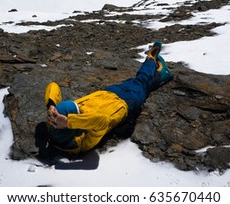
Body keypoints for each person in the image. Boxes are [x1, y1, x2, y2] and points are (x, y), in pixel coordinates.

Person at [44, 41, 173, 154]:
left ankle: (162, 75)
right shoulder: (83, 141)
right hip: (126, 102)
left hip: (108, 93)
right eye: (78, 111)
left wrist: (51, 104)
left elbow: (53, 85)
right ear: (73, 127)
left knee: (134, 81)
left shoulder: (54, 125)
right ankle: (151, 59)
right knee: (141, 81)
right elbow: (102, 121)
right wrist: (68, 122)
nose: (80, 107)